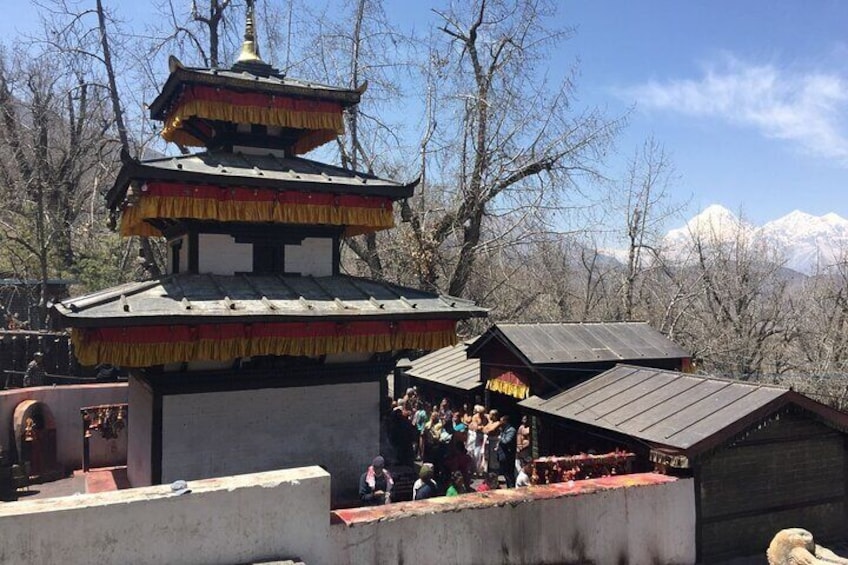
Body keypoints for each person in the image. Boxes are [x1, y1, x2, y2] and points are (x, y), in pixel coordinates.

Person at [497, 415, 518, 488]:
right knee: (505, 474)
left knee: (509, 474)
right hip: (502, 455)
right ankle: (509, 486)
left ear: (505, 421)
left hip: (508, 455)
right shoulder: (503, 429)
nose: (500, 422)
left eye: (501, 420)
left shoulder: (511, 430)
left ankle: (511, 488)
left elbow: (506, 441)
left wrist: (500, 438)